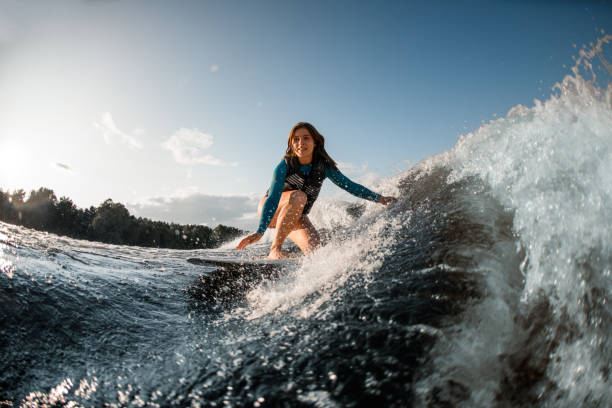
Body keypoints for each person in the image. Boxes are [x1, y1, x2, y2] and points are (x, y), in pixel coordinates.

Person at [236, 122, 397, 259]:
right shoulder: (284, 166)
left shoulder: (324, 167)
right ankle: (275, 250)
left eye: (306, 138)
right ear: (292, 144)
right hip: (270, 209)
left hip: (293, 215)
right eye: (296, 139)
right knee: (299, 197)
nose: (301, 143)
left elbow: (350, 186)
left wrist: (380, 198)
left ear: (315, 142)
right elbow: (272, 199)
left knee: (315, 251)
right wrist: (260, 231)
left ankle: (282, 259)